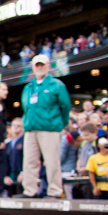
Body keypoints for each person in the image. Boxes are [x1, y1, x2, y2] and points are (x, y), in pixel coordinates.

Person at [17, 54, 71, 199]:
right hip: (30, 129)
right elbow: (25, 108)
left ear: (48, 66)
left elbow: (65, 106)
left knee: (52, 160)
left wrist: (61, 124)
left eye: (42, 65)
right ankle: (30, 191)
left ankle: (54, 191)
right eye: (37, 65)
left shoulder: (57, 85)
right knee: (29, 161)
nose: (40, 67)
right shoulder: (28, 87)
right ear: (33, 68)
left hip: (50, 128)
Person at [5, 117, 25, 196]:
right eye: (14, 125)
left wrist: (24, 172)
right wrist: (5, 176)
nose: (15, 127)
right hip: (11, 176)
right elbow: (5, 161)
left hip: (22, 175)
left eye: (18, 126)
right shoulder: (8, 143)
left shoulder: (26, 141)